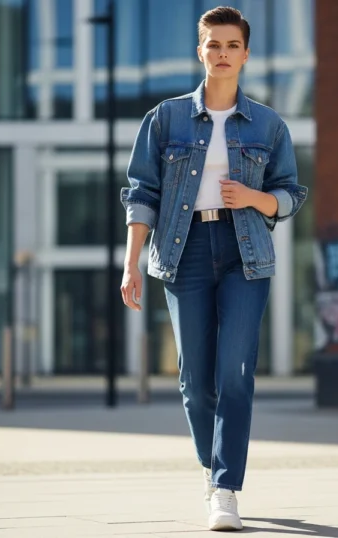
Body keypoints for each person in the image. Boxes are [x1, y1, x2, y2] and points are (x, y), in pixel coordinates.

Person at [120, 6, 307, 532]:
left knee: (235, 373)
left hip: (246, 251)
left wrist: (253, 197)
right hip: (185, 252)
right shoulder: (165, 119)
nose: (222, 54)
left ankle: (225, 488)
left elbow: (291, 195)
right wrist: (130, 262)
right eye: (213, 45)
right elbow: (142, 194)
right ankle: (212, 467)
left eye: (232, 45)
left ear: (245, 54)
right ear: (200, 51)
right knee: (193, 380)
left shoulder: (269, 124)